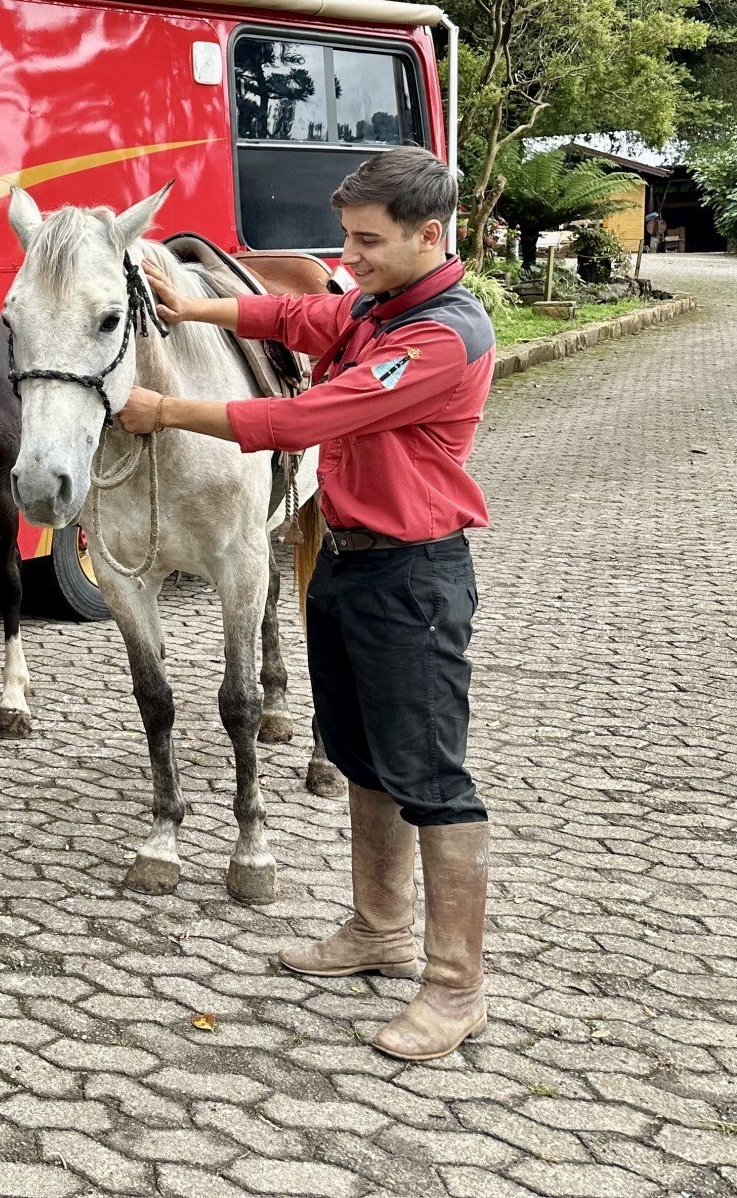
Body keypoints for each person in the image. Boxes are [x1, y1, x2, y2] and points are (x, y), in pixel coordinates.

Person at [116, 147, 495, 1061]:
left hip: (414, 579)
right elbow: (295, 312)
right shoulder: (378, 305)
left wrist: (164, 412)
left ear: (428, 236)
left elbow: (305, 420)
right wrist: (195, 304)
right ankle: (377, 929)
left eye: (366, 240)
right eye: (346, 235)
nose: (348, 254)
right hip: (345, 565)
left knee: (432, 778)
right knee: (362, 755)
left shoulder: (443, 334)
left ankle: (455, 986)